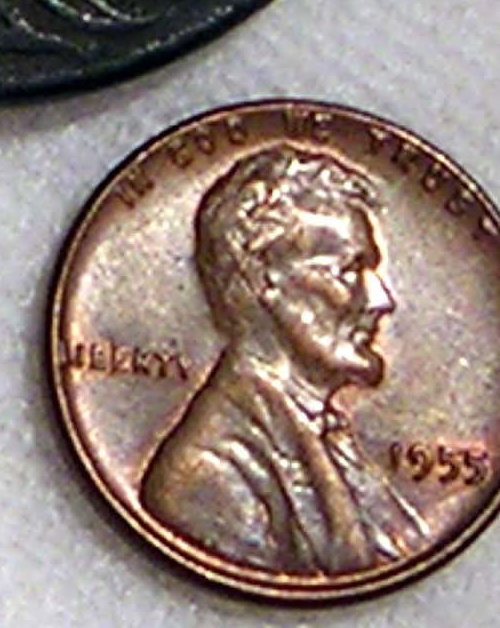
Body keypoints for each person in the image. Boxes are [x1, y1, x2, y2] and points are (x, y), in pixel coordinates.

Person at [140, 144, 427, 575]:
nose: (380, 299)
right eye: (347, 270)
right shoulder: (207, 477)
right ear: (262, 280)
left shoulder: (332, 439)